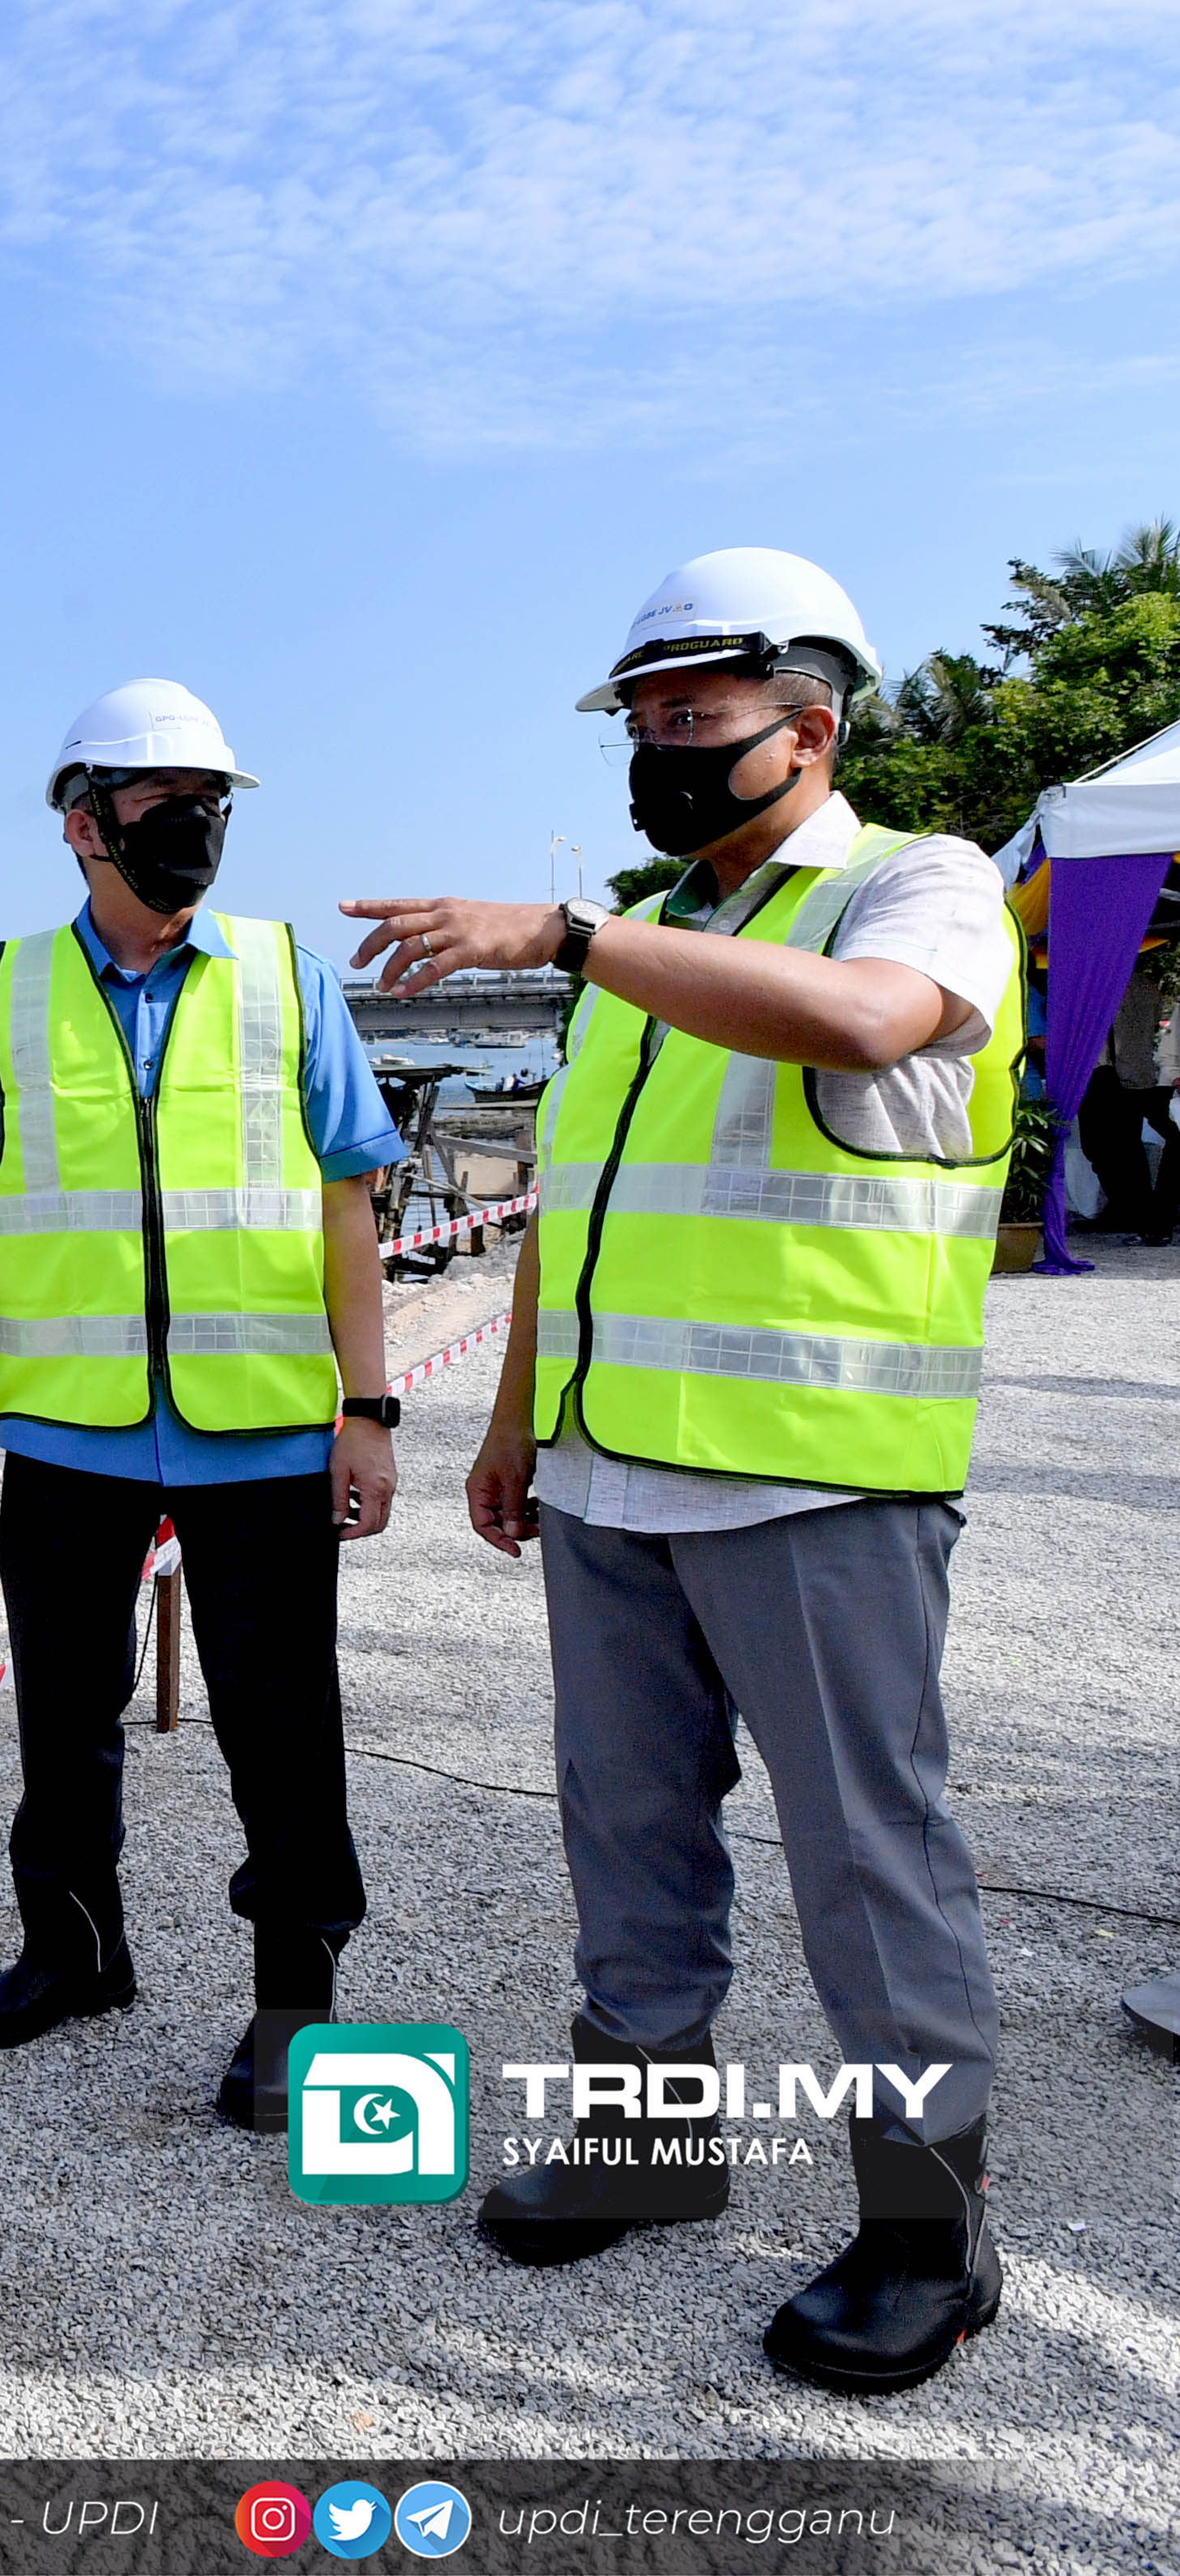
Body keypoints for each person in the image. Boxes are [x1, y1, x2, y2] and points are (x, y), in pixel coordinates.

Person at [343, 547, 1021, 2397]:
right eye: (637, 722)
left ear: (808, 729)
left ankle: (924, 2234)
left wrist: (565, 936)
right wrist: (514, 1421)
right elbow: (577, 1202)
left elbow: (864, 1023)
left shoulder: (913, 885)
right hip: (610, 1476)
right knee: (625, 1831)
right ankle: (648, 2149)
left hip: (816, 1473)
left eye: (690, 717)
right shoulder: (649, 934)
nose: (656, 748)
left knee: (864, 1858)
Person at [0, 679, 407, 2134]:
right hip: (67, 1432)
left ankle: (293, 2004)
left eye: (209, 805)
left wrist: (366, 1408)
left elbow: (347, 1204)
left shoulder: (284, 978)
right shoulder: (5, 994)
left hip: (260, 1431)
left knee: (280, 1728)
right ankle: (71, 1952)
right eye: (159, 805)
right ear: (82, 824)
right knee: (62, 1717)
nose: (190, 827)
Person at [1072, 940, 1176, 1244]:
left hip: (1104, 1072)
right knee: (1127, 1146)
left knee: (1102, 1146)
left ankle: (1128, 1210)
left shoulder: (1098, 986)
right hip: (1140, 1074)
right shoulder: (1147, 985)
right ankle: (1134, 1208)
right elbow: (1153, 1026)